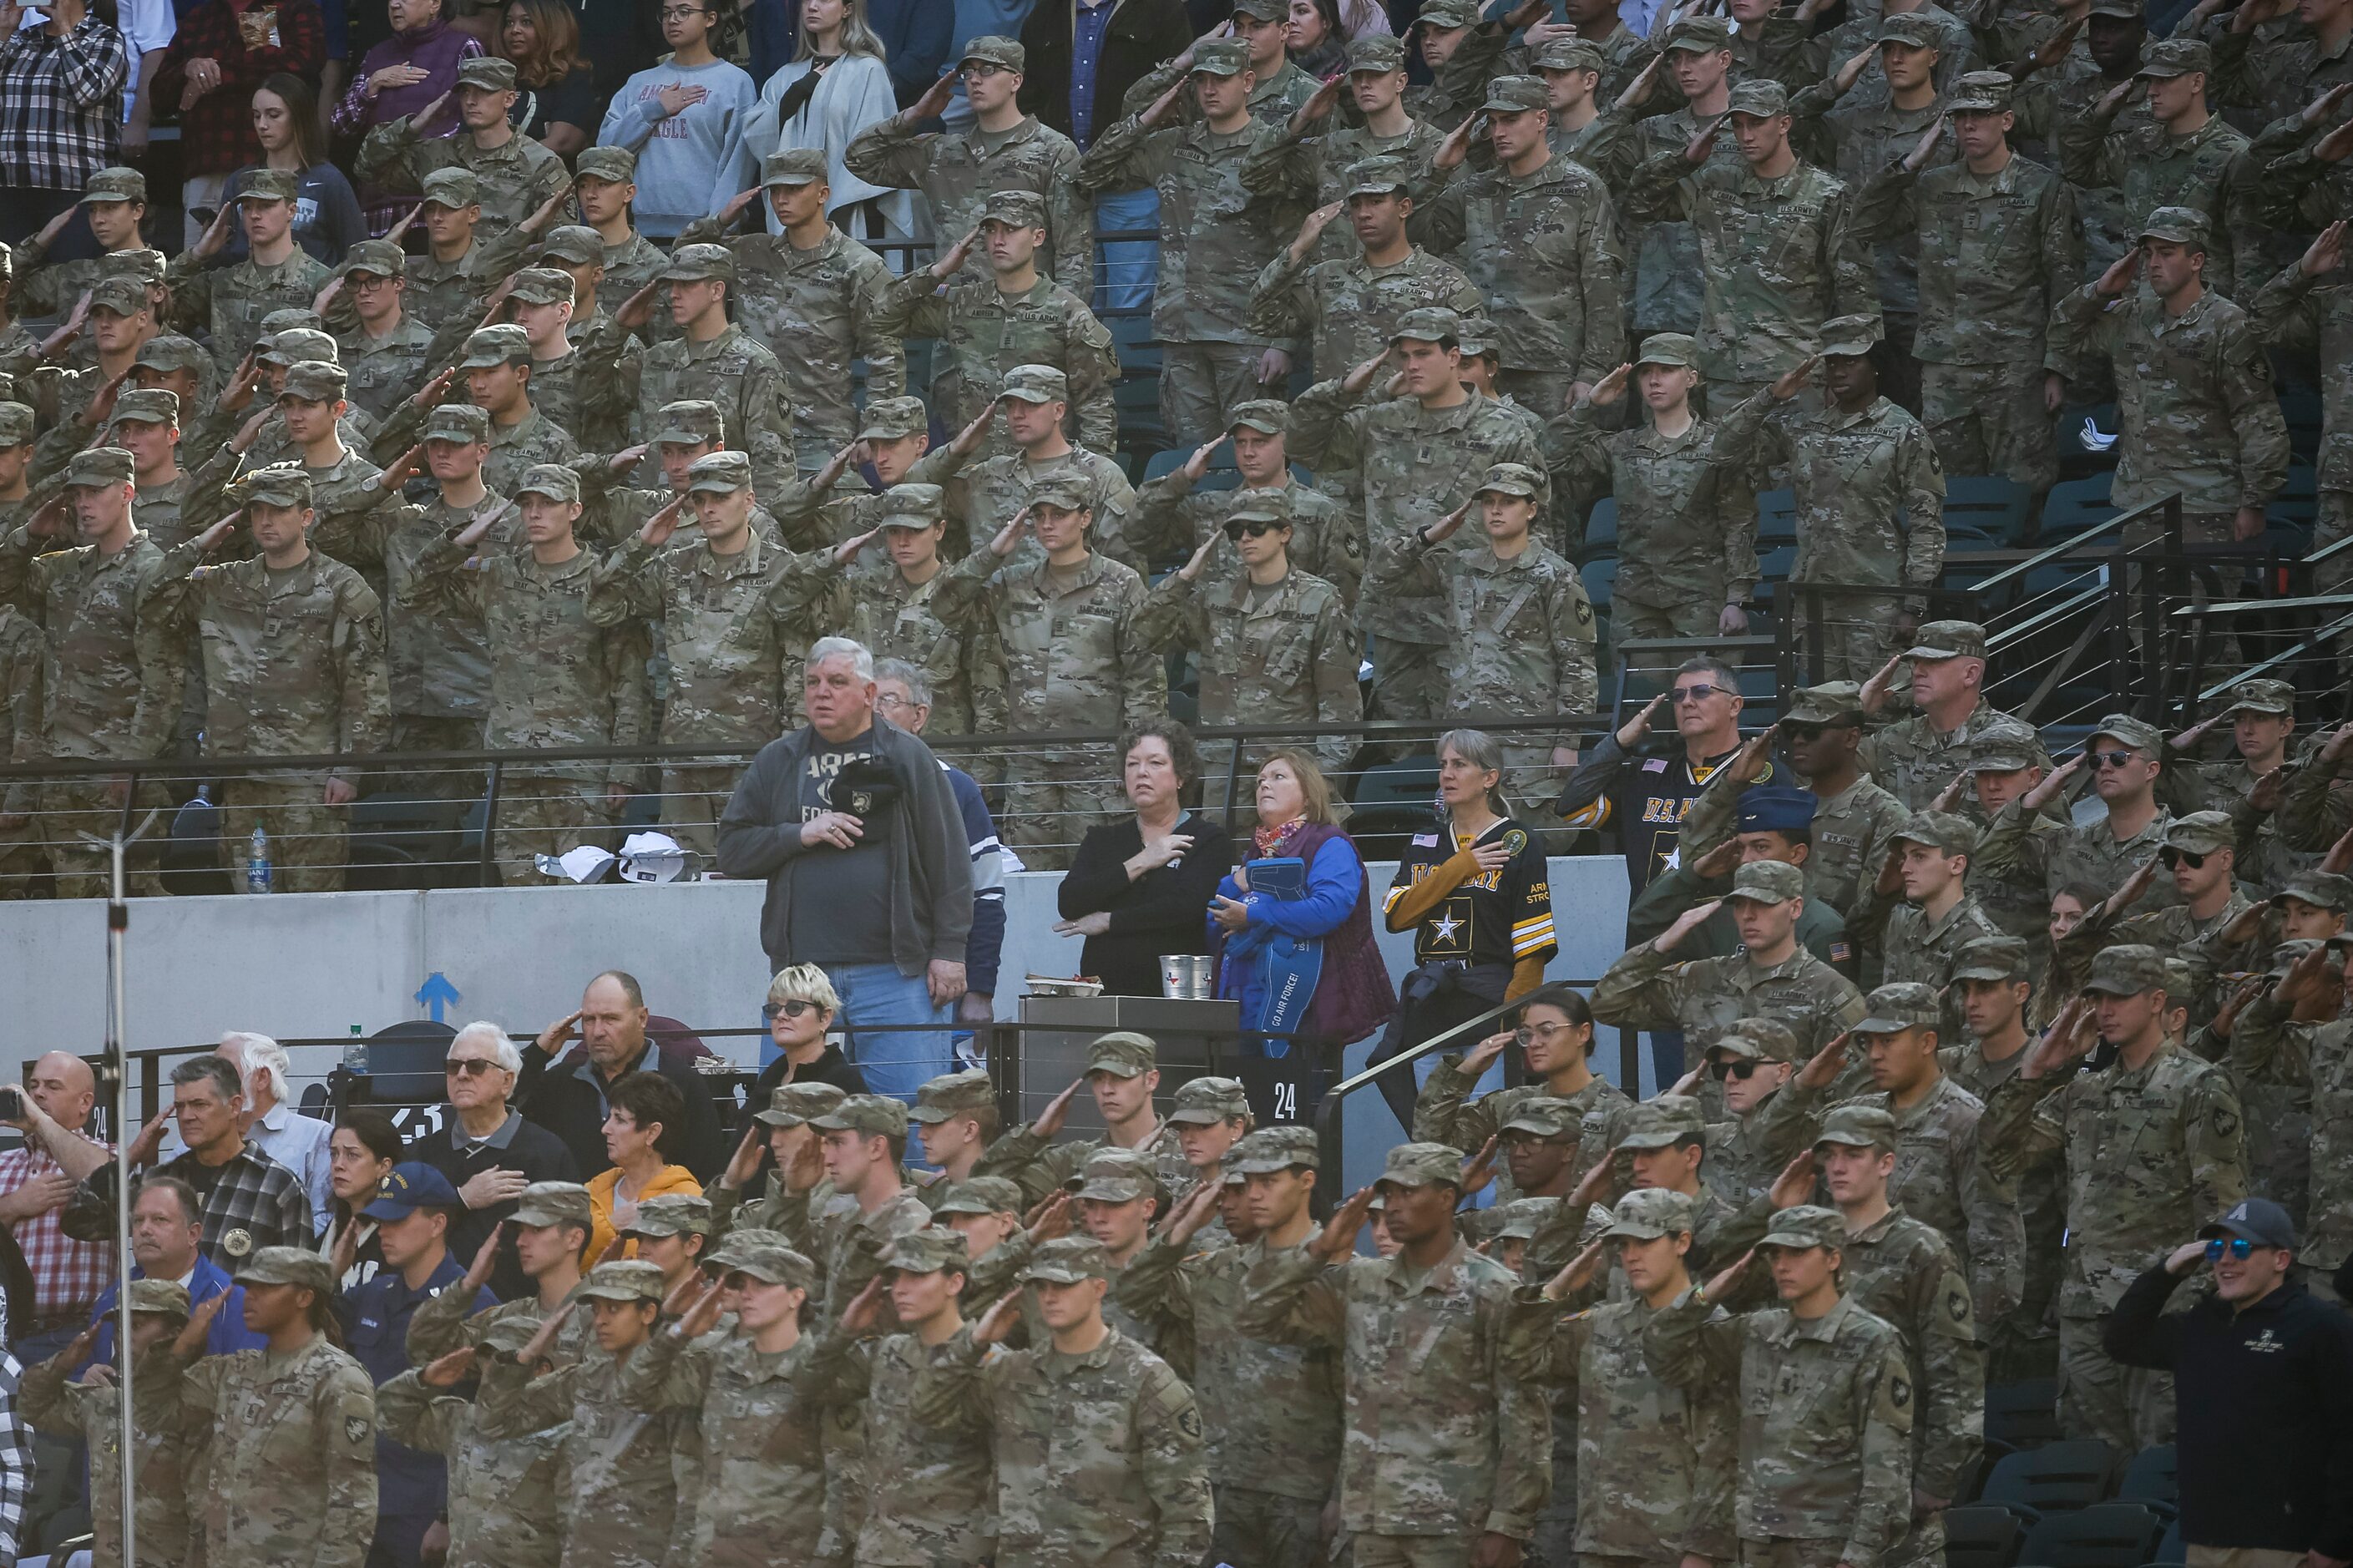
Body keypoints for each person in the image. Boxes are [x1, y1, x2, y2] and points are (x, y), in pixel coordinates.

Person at [1979, 943, 2249, 1452]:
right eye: (2098, 998)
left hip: (2160, 1311)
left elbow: (2222, 1211)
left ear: (2156, 1002)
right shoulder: (2086, 1091)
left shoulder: (2198, 1084)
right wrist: (2041, 1069)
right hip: (2085, 1313)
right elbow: (1996, 1153)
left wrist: (2194, 1312)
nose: (2105, 1010)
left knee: (2165, 1463)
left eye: (2120, 998)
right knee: (2088, 1467)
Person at [1241, 1141, 1549, 1567]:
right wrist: (1317, 1251)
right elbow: (1257, 1317)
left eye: (1409, 1193)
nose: (1394, 1206)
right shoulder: (1362, 1282)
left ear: (1446, 1198)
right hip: (1372, 1522)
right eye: (1390, 1193)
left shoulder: (1493, 1290)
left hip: (1456, 1525)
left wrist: (1508, 1523)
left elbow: (1525, 1417)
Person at [715, 636, 975, 1100]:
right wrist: (797, 835)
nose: (822, 692)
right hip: (801, 974)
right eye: (812, 683)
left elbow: (950, 860)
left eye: (837, 682)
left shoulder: (907, 755)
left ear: (870, 694)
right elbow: (731, 849)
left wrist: (950, 951)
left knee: (910, 1116)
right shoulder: (780, 759)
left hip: (897, 973)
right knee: (787, 1116)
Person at [148, 462, 391, 893]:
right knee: (249, 910)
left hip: (309, 782)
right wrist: (199, 546)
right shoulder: (225, 583)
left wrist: (349, 770)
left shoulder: (340, 588)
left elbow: (367, 688)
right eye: (257, 511)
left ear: (306, 517)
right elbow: (151, 601)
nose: (265, 521)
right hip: (240, 778)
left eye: (278, 511)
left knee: (313, 912)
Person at [910, 1235, 1213, 1565]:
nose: (1050, 1297)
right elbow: (927, 1411)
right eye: (1041, 1287)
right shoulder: (1013, 1373)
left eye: (1063, 1285)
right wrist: (975, 1343)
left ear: (1099, 1289)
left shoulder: (1146, 1380)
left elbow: (1188, 1512)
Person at [1642, 1207, 1918, 1568]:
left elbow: (1886, 1464)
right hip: (1755, 1539)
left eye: (1798, 1253)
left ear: (1833, 1258)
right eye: (1775, 1255)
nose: (1783, 1265)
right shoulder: (1758, 1331)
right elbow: (1663, 1353)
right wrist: (1704, 1298)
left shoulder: (1871, 1340)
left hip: (1827, 1542)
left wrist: (1859, 1557)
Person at [1076, 35, 1300, 448]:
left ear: (1248, 81)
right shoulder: (1173, 146)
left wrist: (1283, 340)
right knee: (1192, 463)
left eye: (1221, 79)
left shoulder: (1270, 148)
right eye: (1201, 81)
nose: (1210, 89)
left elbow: (1293, 249)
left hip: (1246, 334)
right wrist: (1145, 119)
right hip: (1181, 334)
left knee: (1251, 457)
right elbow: (1089, 173)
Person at [2106, 1198, 2353, 1568]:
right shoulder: (2198, 1326)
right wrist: (2166, 1272)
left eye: (2241, 1248)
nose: (2225, 1260)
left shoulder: (2321, 1327)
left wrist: (2337, 1540)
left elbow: (2349, 1436)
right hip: (2207, 1542)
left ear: (2280, 1260)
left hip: (2288, 1545)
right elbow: (2121, 1340)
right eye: (2217, 1248)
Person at [1714, 324, 1946, 684]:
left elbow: (1927, 523)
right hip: (1813, 595)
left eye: (1851, 361)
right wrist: (1771, 395)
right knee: (1821, 713)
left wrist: (1914, 603)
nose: (1838, 370)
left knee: (1880, 709)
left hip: (1876, 595)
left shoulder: (1903, 430)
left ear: (1874, 367)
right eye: (1832, 361)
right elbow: (1723, 447)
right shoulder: (1806, 429)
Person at [0, 441, 179, 902]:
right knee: (76, 911)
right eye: (76, 494)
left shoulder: (152, 570)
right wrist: (32, 534)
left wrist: (132, 766)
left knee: (136, 908)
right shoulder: (68, 569)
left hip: (119, 769)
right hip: (63, 770)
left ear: (127, 493)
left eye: (95, 492)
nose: (82, 504)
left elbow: (163, 681)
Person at [1365, 731, 1559, 1130]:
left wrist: (1513, 1019)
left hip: (1488, 1002)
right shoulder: (1424, 843)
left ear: (1489, 778)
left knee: (1486, 1140)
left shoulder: (1517, 841)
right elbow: (1397, 917)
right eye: (1442, 765)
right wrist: (1460, 867)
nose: (1447, 775)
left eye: (1459, 765)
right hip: (1431, 1003)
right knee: (1435, 1138)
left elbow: (1533, 945)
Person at [163, 1247, 379, 1567]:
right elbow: (149, 1407)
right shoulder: (233, 1371)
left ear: (304, 1298)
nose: (250, 1297)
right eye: (250, 1287)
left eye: (266, 1288)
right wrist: (183, 1347)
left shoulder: (337, 1379)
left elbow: (353, 1502)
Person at [1133, 488, 1363, 787]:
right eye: (1236, 530)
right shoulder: (1215, 597)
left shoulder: (1319, 600)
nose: (1245, 538)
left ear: (1285, 534)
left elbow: (1341, 701)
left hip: (1291, 768)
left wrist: (1321, 777)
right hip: (1223, 767)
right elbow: (1145, 635)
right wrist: (1184, 578)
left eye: (1256, 528)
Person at [1544, 335, 1758, 642]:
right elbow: (1549, 457)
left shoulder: (1718, 446)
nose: (1654, 381)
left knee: (1704, 689)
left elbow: (1739, 522)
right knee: (1637, 690)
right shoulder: (1624, 446)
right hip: (1636, 601)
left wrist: (1737, 599)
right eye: (1646, 372)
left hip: (1701, 597)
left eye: (1666, 370)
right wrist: (1589, 405)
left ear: (1692, 378)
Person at [844, 37, 1093, 296]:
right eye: (968, 71)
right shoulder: (941, 153)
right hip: (956, 320)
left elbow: (1074, 254)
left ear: (1016, 81)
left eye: (988, 70)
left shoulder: (1054, 151)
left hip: (1025, 320)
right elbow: (858, 159)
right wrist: (914, 115)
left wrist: (1064, 325)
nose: (975, 80)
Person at [340, 1161, 493, 1568]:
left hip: (424, 1506)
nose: (385, 1232)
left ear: (437, 1223)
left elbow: (482, 1416)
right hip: (362, 1497)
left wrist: (447, 1514)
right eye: (380, 1222)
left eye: (398, 1220)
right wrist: (332, 1272)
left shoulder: (474, 1305)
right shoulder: (372, 1295)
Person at [1212, 749, 1397, 1063]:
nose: (1264, 786)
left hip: (1306, 1012)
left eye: (1278, 777)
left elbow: (1328, 909)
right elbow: (1216, 915)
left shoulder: (1329, 844)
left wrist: (1253, 915)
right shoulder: (1256, 854)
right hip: (1244, 1011)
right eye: (1260, 781)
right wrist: (1233, 886)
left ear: (1309, 796)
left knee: (1304, 1109)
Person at [21, 1278, 195, 1568]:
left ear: (175, 1333)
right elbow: (31, 1406)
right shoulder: (107, 1401)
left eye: (137, 1326)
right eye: (119, 1328)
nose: (122, 1336)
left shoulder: (194, 1400)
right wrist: (64, 1363)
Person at [1055, 721, 1237, 997]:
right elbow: (1070, 901)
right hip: (1107, 995)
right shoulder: (1102, 839)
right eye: (1132, 764)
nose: (1142, 773)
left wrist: (1110, 921)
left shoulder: (1208, 840)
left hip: (1176, 996)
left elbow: (1186, 909)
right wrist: (1141, 862)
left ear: (1181, 776)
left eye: (1155, 763)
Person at [405, 1020, 579, 1301]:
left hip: (521, 1318)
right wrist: (461, 1200)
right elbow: (399, 1237)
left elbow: (573, 1240)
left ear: (507, 1081)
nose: (461, 1075)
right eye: (453, 1066)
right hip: (433, 1316)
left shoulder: (547, 1152)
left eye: (476, 1066)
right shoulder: (423, 1154)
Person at [721, 0, 912, 249]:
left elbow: (874, 148)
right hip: (791, 211)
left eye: (823, 0)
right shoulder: (786, 75)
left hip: (846, 210)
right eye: (807, 1)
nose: (812, 6)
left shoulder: (868, 71)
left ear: (848, 9)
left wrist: (829, 202)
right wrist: (797, 91)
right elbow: (756, 134)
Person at [521, 969, 729, 1182]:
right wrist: (537, 1055)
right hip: (574, 1213)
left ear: (642, 1018)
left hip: (658, 1213)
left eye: (610, 1019)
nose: (598, 1031)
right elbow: (497, 1115)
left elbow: (708, 1174)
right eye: (589, 1020)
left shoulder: (681, 1083)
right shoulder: (561, 1083)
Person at [151, 0, 327, 246]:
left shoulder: (291, 7)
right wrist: (188, 69)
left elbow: (298, 67)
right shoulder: (198, 17)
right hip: (207, 171)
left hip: (271, 170)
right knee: (198, 274)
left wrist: (215, 76)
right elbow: (158, 97)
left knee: (272, 270)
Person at [356, 56, 574, 245]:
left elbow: (562, 244)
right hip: (443, 285)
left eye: (483, 92)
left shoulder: (541, 164)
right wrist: (412, 126)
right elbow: (367, 168)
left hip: (508, 286)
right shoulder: (440, 153)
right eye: (465, 92)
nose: (471, 101)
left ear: (509, 99)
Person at [137, 1054, 314, 1265]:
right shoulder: (162, 1179)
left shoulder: (278, 1186)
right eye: (180, 1107)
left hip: (237, 1298)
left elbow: (297, 1283)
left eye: (199, 1105)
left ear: (234, 1107)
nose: (186, 1116)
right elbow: (90, 1220)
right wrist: (132, 1155)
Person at [331, 0, 485, 235]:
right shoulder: (377, 55)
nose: (394, 5)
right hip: (378, 209)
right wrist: (373, 85)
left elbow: (482, 121)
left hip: (440, 205)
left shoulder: (463, 47)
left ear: (435, 4)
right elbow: (341, 125)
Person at [0, 1051, 115, 1362]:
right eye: (34, 1085)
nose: (37, 1093)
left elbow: (106, 1180)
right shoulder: (3, 1165)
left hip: (77, 1334)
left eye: (53, 1086)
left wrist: (40, 1121)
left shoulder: (109, 1156)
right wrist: (13, 1206)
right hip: (8, 1336)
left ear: (85, 1103)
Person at [86, 1175, 269, 1366]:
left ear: (193, 1234)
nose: (144, 1230)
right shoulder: (113, 1297)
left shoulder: (233, 1301)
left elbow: (250, 1382)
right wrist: (86, 1380)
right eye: (139, 1220)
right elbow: (78, 1374)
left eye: (159, 1219)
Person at [0, 0, 128, 240]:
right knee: (12, 276)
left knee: (72, 275)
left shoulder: (105, 38)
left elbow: (86, 92)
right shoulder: (21, 40)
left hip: (77, 192)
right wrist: (4, 32)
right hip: (11, 189)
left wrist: (64, 32)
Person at [228, 74, 366, 264]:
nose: (262, 125)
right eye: (256, 115)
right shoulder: (239, 180)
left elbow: (357, 252)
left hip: (316, 289)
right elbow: (224, 254)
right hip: (246, 289)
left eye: (274, 115)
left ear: (298, 116)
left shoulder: (329, 180)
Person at [584, 1070, 703, 1266]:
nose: (605, 1129)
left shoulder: (686, 1197)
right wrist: (611, 1226)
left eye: (620, 1119)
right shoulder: (593, 1190)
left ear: (652, 1133)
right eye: (610, 1117)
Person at [746, 965, 874, 1109]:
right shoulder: (770, 1077)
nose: (780, 1016)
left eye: (795, 1008)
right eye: (773, 1009)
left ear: (825, 1018)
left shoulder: (843, 1082)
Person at [498, 0, 595, 155]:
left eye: (526, 22)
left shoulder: (572, 80)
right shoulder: (497, 78)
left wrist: (502, 161)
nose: (514, 30)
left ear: (552, 27)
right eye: (509, 22)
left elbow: (563, 142)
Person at [321, 1109, 401, 1289]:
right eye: (334, 1154)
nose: (338, 1165)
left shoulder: (397, 1237)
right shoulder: (329, 1234)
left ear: (383, 1166)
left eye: (352, 1155)